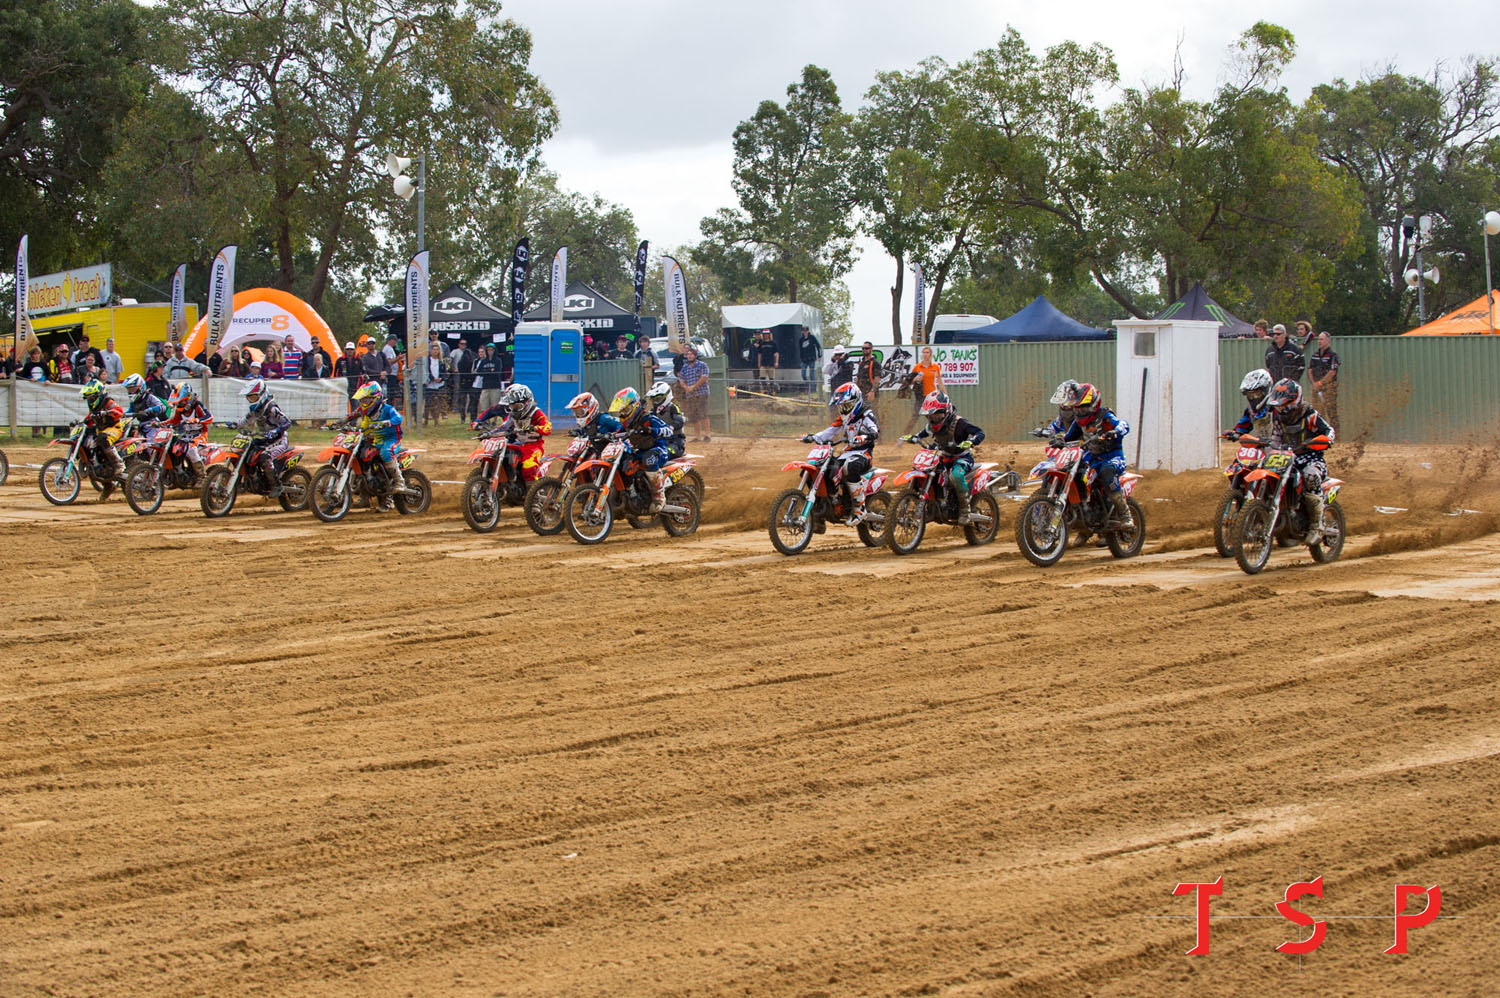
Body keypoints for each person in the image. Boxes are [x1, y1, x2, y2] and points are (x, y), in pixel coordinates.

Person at [1265, 378, 1335, 543]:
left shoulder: (1310, 415)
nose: (1282, 409)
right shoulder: (1277, 417)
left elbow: (1329, 431)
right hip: (1288, 457)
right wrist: (1269, 448)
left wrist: (1325, 440)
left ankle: (1318, 524)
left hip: (1311, 459)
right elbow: (1276, 437)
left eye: (1285, 405)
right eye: (1279, 406)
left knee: (1310, 475)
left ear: (1295, 401)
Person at [900, 390, 985, 524]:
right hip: (943, 456)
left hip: (961, 458)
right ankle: (933, 502)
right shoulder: (932, 426)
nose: (933, 419)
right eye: (930, 416)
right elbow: (922, 434)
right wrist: (914, 437)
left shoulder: (960, 423)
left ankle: (965, 510)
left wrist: (971, 441)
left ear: (946, 412)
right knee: (927, 469)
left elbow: (980, 432)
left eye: (936, 415)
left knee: (956, 475)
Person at [801, 382, 879, 523]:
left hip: (863, 453)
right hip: (847, 453)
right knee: (825, 468)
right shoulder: (844, 417)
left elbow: (875, 431)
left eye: (846, 406)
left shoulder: (866, 415)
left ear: (856, 401)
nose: (843, 409)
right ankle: (824, 507)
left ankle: (859, 509)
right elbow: (831, 431)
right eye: (841, 406)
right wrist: (813, 437)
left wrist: (864, 437)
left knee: (850, 466)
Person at [1064, 382, 1133, 529]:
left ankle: (1125, 515)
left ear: (1094, 405)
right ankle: (1084, 519)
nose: (1080, 412)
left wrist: (1115, 432)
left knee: (1107, 473)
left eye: (1083, 408)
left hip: (1112, 457)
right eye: (1077, 408)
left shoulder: (1105, 416)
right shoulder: (1078, 422)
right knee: (1076, 474)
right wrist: (1058, 440)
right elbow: (1068, 437)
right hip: (1092, 458)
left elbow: (1124, 424)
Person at [594, 386, 673, 512]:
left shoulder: (647, 418)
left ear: (634, 406)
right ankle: (632, 492)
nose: (623, 413)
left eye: (625, 410)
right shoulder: (627, 423)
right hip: (639, 451)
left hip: (657, 449)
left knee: (649, 460)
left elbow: (669, 430)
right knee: (625, 462)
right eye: (621, 411)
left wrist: (651, 430)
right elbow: (619, 431)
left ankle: (659, 497)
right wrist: (608, 435)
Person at [474, 384, 552, 493]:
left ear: (527, 402)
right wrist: (488, 434)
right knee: (502, 453)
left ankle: (533, 495)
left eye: (517, 406)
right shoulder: (513, 415)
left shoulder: (536, 413)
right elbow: (504, 427)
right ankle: (509, 481)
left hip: (533, 446)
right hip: (517, 444)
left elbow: (548, 427)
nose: (514, 409)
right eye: (512, 406)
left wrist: (535, 428)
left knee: (528, 466)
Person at [348, 381, 411, 510]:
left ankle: (399, 482)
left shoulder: (387, 409)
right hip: (376, 440)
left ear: (375, 398)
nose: (363, 403)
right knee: (361, 457)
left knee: (385, 453)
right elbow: (359, 422)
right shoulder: (367, 412)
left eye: (366, 400)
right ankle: (364, 497)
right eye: (362, 400)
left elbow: (399, 418)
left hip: (391, 440)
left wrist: (385, 422)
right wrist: (347, 426)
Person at [239, 378, 292, 499]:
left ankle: (276, 485)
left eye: (253, 397)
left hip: (279, 440)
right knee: (248, 450)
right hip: (266, 440)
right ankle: (252, 479)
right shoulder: (256, 410)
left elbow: (287, 422)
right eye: (249, 398)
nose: (251, 400)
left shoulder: (272, 409)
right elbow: (245, 420)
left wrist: (276, 431)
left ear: (262, 394)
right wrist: (234, 424)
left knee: (264, 457)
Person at [79, 379, 127, 497]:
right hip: (101, 430)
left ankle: (119, 464)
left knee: (102, 439)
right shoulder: (94, 406)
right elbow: (91, 417)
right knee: (87, 443)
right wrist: (83, 422)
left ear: (98, 394)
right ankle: (107, 484)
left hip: (114, 429)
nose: (89, 399)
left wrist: (107, 412)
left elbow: (119, 411)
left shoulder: (108, 402)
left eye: (91, 397)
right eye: (88, 397)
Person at [164, 382, 214, 486]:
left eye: (182, 402)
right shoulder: (180, 410)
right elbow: (175, 420)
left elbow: (209, 417)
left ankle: (201, 476)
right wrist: (162, 424)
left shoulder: (197, 405)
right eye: (178, 403)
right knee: (174, 448)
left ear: (188, 398)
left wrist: (197, 420)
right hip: (186, 435)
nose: (180, 405)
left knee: (191, 449)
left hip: (200, 434)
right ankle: (178, 472)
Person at [901, 345, 945, 433]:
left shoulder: (935, 367)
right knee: (915, 416)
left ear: (930, 354)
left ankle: (938, 435)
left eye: (927, 352)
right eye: (924, 352)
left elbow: (940, 382)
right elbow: (909, 381)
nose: (925, 354)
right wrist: (915, 379)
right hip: (920, 396)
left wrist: (945, 394)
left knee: (934, 417)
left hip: (932, 396)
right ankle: (905, 435)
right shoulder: (917, 367)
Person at [1224, 369, 1275, 440]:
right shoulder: (1251, 412)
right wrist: (1236, 433)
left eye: (1257, 394)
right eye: (1250, 395)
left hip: (1282, 444)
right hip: (1264, 444)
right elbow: (1245, 424)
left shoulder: (1277, 408)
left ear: (1266, 390)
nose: (1254, 398)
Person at [1307, 332, 1340, 432]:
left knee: (1331, 412)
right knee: (1317, 412)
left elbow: (1332, 372)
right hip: (1316, 388)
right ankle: (1320, 434)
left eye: (1321, 339)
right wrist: (1314, 383)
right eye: (1318, 339)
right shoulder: (1315, 355)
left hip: (1329, 387)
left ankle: (1336, 435)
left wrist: (1320, 383)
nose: (1319, 341)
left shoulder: (1332, 355)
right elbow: (1310, 370)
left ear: (1328, 341)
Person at [677, 346, 711, 442]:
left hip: (702, 393)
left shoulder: (702, 365)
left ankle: (707, 435)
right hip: (690, 395)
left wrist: (693, 387)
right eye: (688, 354)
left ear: (695, 356)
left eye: (691, 354)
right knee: (693, 416)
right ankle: (697, 437)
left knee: (703, 414)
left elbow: (704, 377)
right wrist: (686, 387)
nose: (689, 356)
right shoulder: (685, 367)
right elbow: (681, 380)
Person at [647, 381, 686, 459]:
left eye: (658, 399)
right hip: (660, 442)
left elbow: (679, 421)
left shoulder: (673, 408)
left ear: (667, 396)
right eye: (653, 399)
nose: (655, 402)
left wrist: (671, 427)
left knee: (661, 454)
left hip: (675, 442)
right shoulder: (653, 411)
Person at [449, 337, 477, 420]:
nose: (463, 345)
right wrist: (453, 369)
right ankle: (455, 407)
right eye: (461, 344)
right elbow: (450, 361)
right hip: (458, 374)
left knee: (470, 395)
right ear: (459, 344)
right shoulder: (455, 351)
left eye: (465, 344)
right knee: (457, 390)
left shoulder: (470, 353)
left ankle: (468, 410)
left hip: (468, 376)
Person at [420, 342, 447, 426]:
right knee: (428, 403)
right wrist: (432, 378)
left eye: (437, 349)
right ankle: (426, 420)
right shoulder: (428, 360)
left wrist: (441, 378)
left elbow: (444, 372)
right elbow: (426, 371)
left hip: (439, 385)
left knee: (438, 403)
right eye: (434, 349)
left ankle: (436, 420)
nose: (435, 351)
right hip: (430, 384)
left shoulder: (442, 361)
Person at [474, 343, 504, 415]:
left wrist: (486, 371)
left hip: (495, 386)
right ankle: (486, 420)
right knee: (484, 405)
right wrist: (490, 371)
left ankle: (494, 420)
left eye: (491, 350)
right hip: (485, 386)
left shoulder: (498, 360)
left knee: (495, 406)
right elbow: (479, 372)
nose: (490, 351)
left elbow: (497, 372)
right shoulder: (484, 361)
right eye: (488, 350)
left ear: (494, 350)